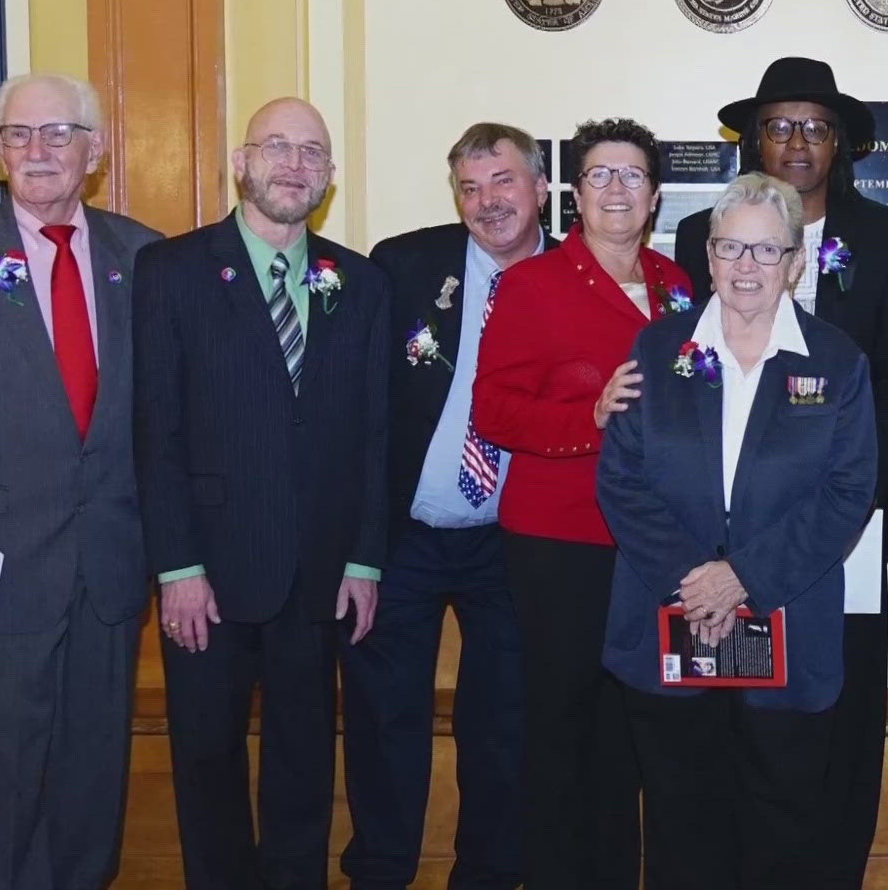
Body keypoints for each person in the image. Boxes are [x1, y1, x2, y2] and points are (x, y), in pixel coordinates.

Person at [0, 72, 159, 890]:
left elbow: (164, 418)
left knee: (94, 769)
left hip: (112, 562)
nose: (36, 151)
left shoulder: (142, 256)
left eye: (56, 132)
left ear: (96, 148)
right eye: (17, 134)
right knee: (8, 774)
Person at [674, 56, 888, 885]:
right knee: (728, 721)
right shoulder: (696, 233)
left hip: (839, 527)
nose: (797, 142)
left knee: (832, 712)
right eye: (779, 125)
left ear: (840, 143)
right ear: (754, 138)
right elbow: (685, 376)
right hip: (723, 532)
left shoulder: (882, 236)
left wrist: (852, 489)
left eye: (815, 126)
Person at [133, 96, 390, 890]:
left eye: (311, 151)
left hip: (317, 574)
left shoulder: (361, 282)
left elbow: (376, 435)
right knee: (207, 758)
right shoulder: (172, 270)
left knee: (305, 760)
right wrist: (175, 568)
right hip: (208, 571)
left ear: (330, 176)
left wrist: (366, 561)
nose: (293, 163)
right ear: (241, 162)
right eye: (275, 146)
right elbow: (155, 431)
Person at [599, 172, 878, 890]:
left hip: (787, 625)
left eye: (765, 251)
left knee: (782, 833)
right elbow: (622, 480)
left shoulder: (838, 362)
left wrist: (742, 577)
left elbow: (847, 491)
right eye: (730, 248)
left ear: (795, 263)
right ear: (710, 257)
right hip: (671, 622)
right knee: (680, 829)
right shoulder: (656, 350)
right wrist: (697, 582)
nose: (746, 267)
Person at [471, 117, 694, 890]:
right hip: (561, 543)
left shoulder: (679, 286)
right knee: (562, 733)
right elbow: (492, 411)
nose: (615, 189)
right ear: (573, 194)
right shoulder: (532, 285)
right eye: (599, 175)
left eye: (631, 175)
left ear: (655, 195)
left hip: (657, 549)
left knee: (634, 737)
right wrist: (588, 419)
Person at [341, 123, 556, 890]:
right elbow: (359, 412)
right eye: (470, 187)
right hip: (404, 537)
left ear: (539, 186)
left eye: (502, 181)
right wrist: (358, 546)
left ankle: (490, 877)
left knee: (502, 726)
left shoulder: (576, 273)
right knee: (382, 716)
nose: (487, 202)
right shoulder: (404, 266)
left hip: (515, 543)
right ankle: (380, 871)